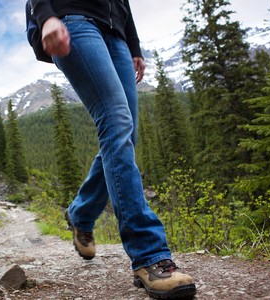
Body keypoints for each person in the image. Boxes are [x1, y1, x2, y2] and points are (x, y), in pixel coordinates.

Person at [31, 0, 196, 299]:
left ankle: (81, 213)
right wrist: (46, 17)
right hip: (73, 20)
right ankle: (149, 255)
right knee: (116, 120)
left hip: (116, 35)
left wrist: (134, 47)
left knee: (124, 134)